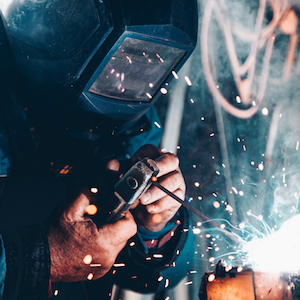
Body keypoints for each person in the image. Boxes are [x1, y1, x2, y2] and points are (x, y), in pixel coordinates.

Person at [0, 0, 198, 299]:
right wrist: (35, 259)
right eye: (124, 59)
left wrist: (154, 228)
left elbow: (148, 280)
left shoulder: (131, 118)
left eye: (149, 65)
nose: (126, 80)